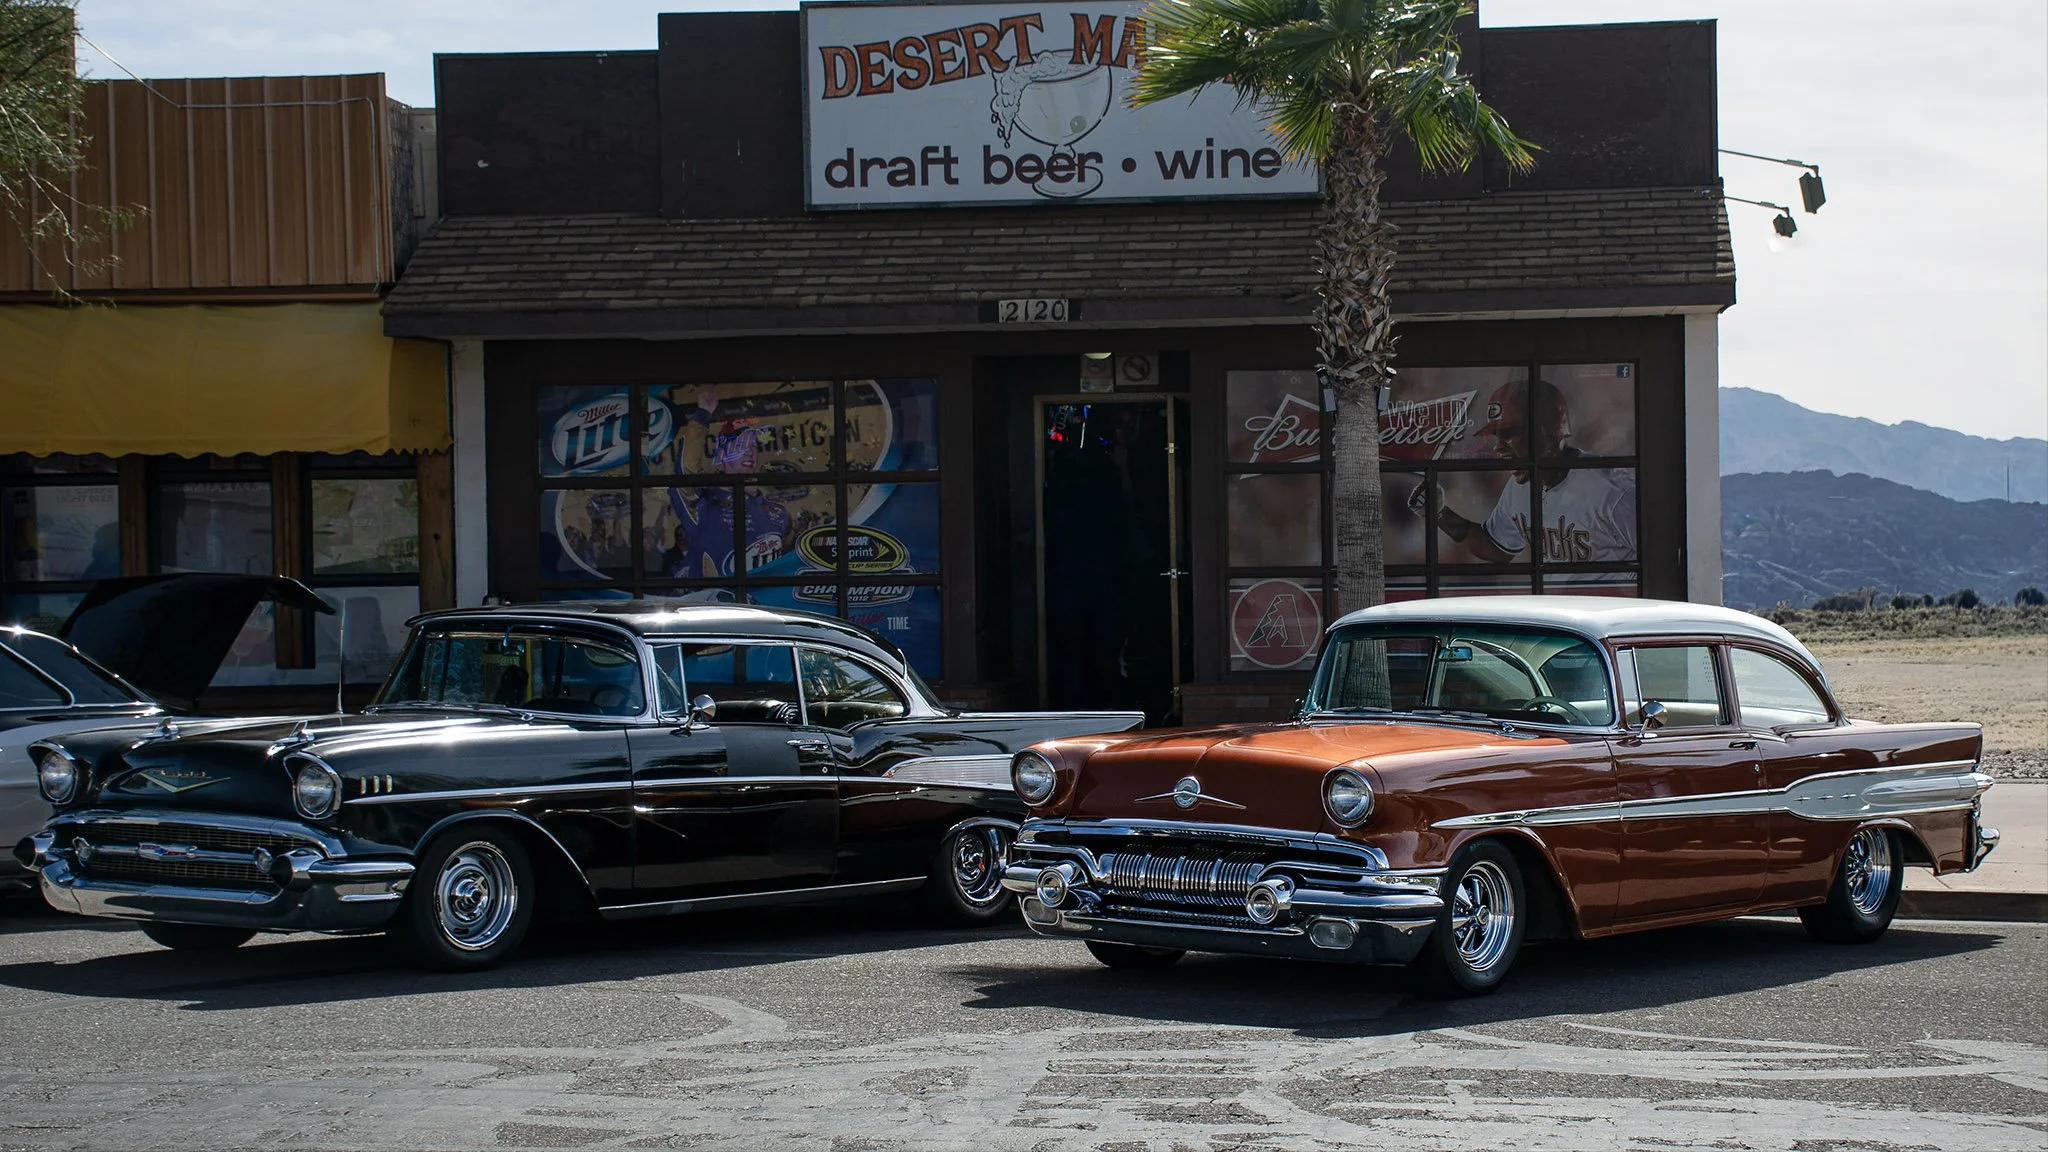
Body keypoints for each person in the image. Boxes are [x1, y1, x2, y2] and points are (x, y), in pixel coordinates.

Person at [1414, 378, 1636, 565]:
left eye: (1509, 434)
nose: (1498, 447)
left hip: (1604, 611)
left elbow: (1658, 557)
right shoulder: (1522, 484)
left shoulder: (1613, 491)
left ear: (1547, 433)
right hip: (1555, 610)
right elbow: (1497, 547)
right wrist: (1440, 514)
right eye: (1497, 437)